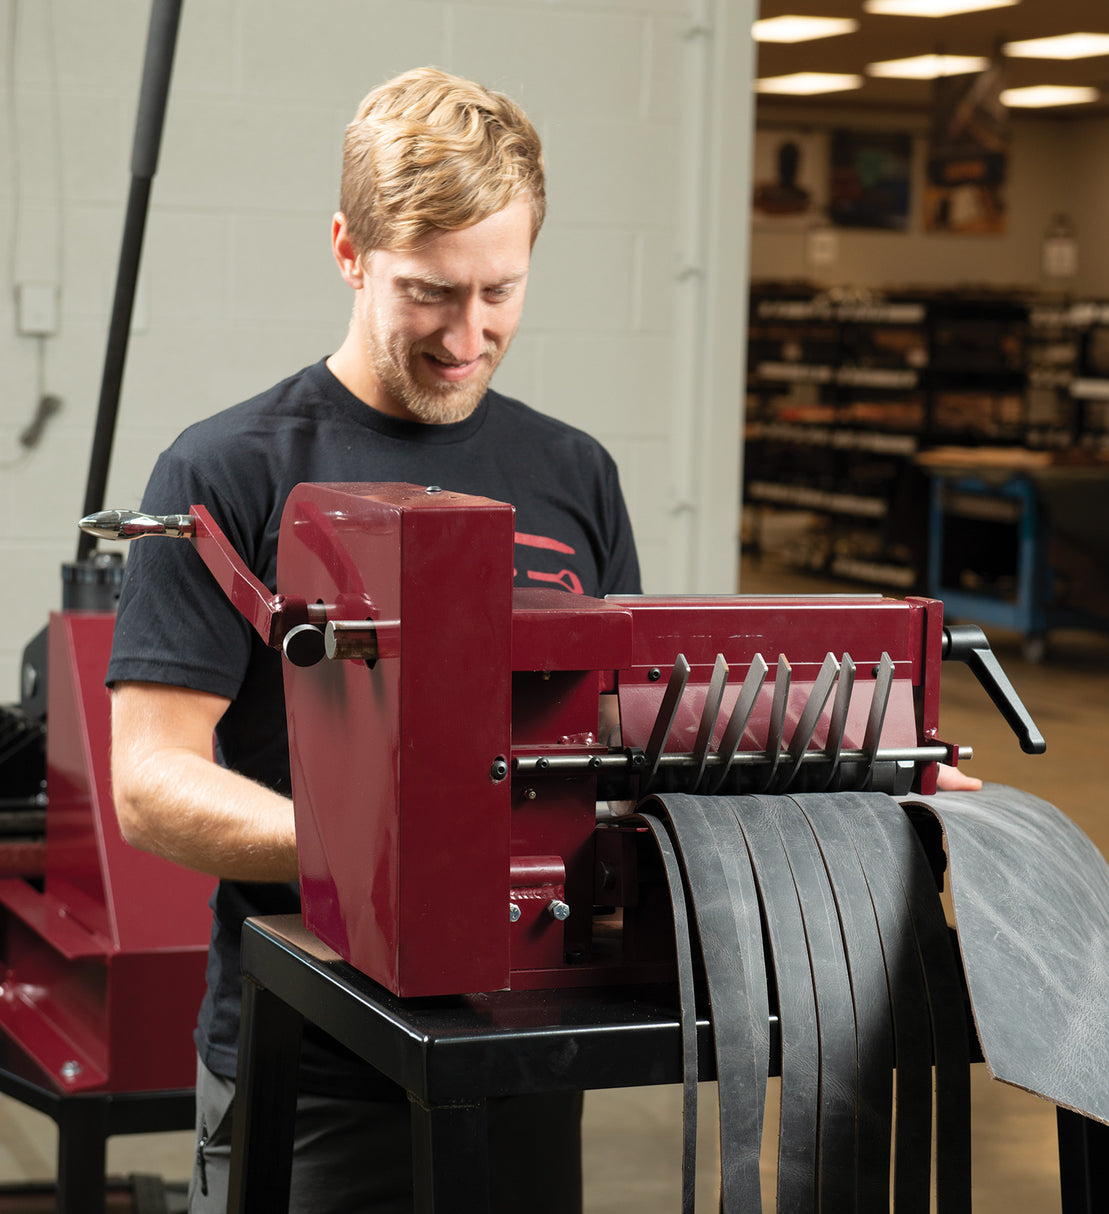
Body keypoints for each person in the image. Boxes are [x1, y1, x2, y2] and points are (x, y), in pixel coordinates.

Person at [106, 67, 640, 1212]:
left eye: (501, 289)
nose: (468, 334)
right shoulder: (227, 472)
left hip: (532, 1045)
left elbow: (619, 734)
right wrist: (386, 858)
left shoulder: (575, 472)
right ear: (349, 251)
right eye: (429, 293)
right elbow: (150, 782)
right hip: (315, 1064)